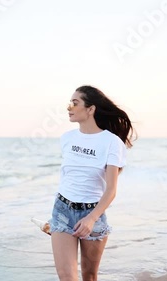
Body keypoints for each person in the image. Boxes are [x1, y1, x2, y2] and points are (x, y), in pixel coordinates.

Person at [49, 85, 135, 281]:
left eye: (74, 103)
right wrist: (55, 221)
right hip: (62, 211)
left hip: (93, 214)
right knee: (67, 277)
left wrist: (91, 219)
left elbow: (111, 189)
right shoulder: (67, 139)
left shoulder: (112, 143)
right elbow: (68, 177)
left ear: (90, 109)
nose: (69, 107)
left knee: (89, 275)